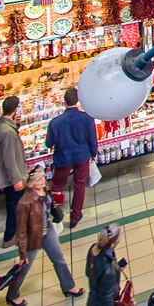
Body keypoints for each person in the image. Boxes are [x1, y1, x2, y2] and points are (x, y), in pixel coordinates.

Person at [9, 166, 84, 305]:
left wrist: (55, 206)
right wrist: (22, 253)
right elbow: (21, 231)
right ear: (31, 184)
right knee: (24, 266)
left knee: (59, 259)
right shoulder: (24, 203)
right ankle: (12, 294)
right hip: (33, 236)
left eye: (43, 177)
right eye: (38, 179)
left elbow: (50, 207)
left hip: (48, 230)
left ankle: (69, 287)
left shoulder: (46, 190)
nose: (42, 181)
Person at [46, 87, 98, 227]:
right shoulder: (86, 118)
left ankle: (56, 212)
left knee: (57, 186)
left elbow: (48, 143)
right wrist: (93, 154)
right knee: (79, 185)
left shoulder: (55, 122)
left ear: (64, 102)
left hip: (62, 158)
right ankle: (75, 216)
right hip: (82, 157)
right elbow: (92, 139)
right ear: (78, 100)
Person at [0, 96, 28, 246]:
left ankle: (14, 233)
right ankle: (10, 236)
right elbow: (9, 158)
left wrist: (15, 125)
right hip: (11, 177)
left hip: (1, 175)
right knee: (15, 206)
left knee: (11, 203)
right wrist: (17, 179)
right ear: (15, 109)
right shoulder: (8, 133)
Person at [85, 226, 126, 306]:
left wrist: (116, 268)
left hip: (93, 299)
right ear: (112, 244)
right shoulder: (109, 272)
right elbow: (107, 300)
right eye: (119, 238)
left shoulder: (93, 248)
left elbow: (88, 272)